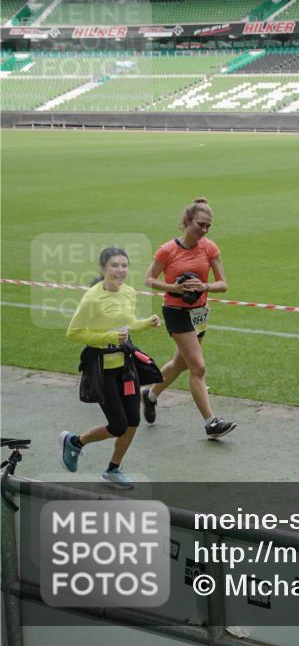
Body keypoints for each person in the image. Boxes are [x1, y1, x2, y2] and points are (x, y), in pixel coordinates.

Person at [60, 247, 161, 489]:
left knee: (133, 421)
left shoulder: (128, 292)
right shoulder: (92, 298)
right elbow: (73, 332)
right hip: (101, 367)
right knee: (117, 425)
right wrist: (107, 338)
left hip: (125, 366)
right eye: (115, 265)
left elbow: (127, 325)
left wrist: (146, 323)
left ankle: (113, 469)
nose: (120, 270)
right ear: (104, 268)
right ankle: (75, 441)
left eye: (124, 265)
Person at [142, 198, 236, 439]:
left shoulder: (210, 248)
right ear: (187, 222)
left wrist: (204, 286)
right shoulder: (167, 250)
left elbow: (223, 284)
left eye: (208, 226)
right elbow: (149, 280)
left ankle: (150, 395)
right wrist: (172, 288)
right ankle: (210, 422)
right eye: (200, 225)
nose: (203, 230)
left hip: (199, 314)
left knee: (180, 365)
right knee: (198, 366)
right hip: (176, 313)